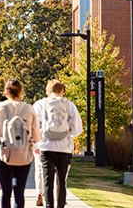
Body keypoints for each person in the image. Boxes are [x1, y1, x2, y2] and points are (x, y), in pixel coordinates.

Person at [0, 79, 41, 208]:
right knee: (19, 192)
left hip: (4, 155)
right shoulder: (29, 109)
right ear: (21, 92)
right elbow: (37, 136)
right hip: (23, 156)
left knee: (6, 193)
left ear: (5, 93)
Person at [34, 79, 83, 208]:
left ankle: (49, 205)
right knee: (61, 180)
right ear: (62, 92)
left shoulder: (40, 104)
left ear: (48, 91)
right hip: (64, 148)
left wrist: (35, 144)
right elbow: (78, 129)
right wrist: (69, 134)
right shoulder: (70, 105)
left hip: (46, 147)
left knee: (47, 180)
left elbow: (32, 127)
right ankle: (60, 205)